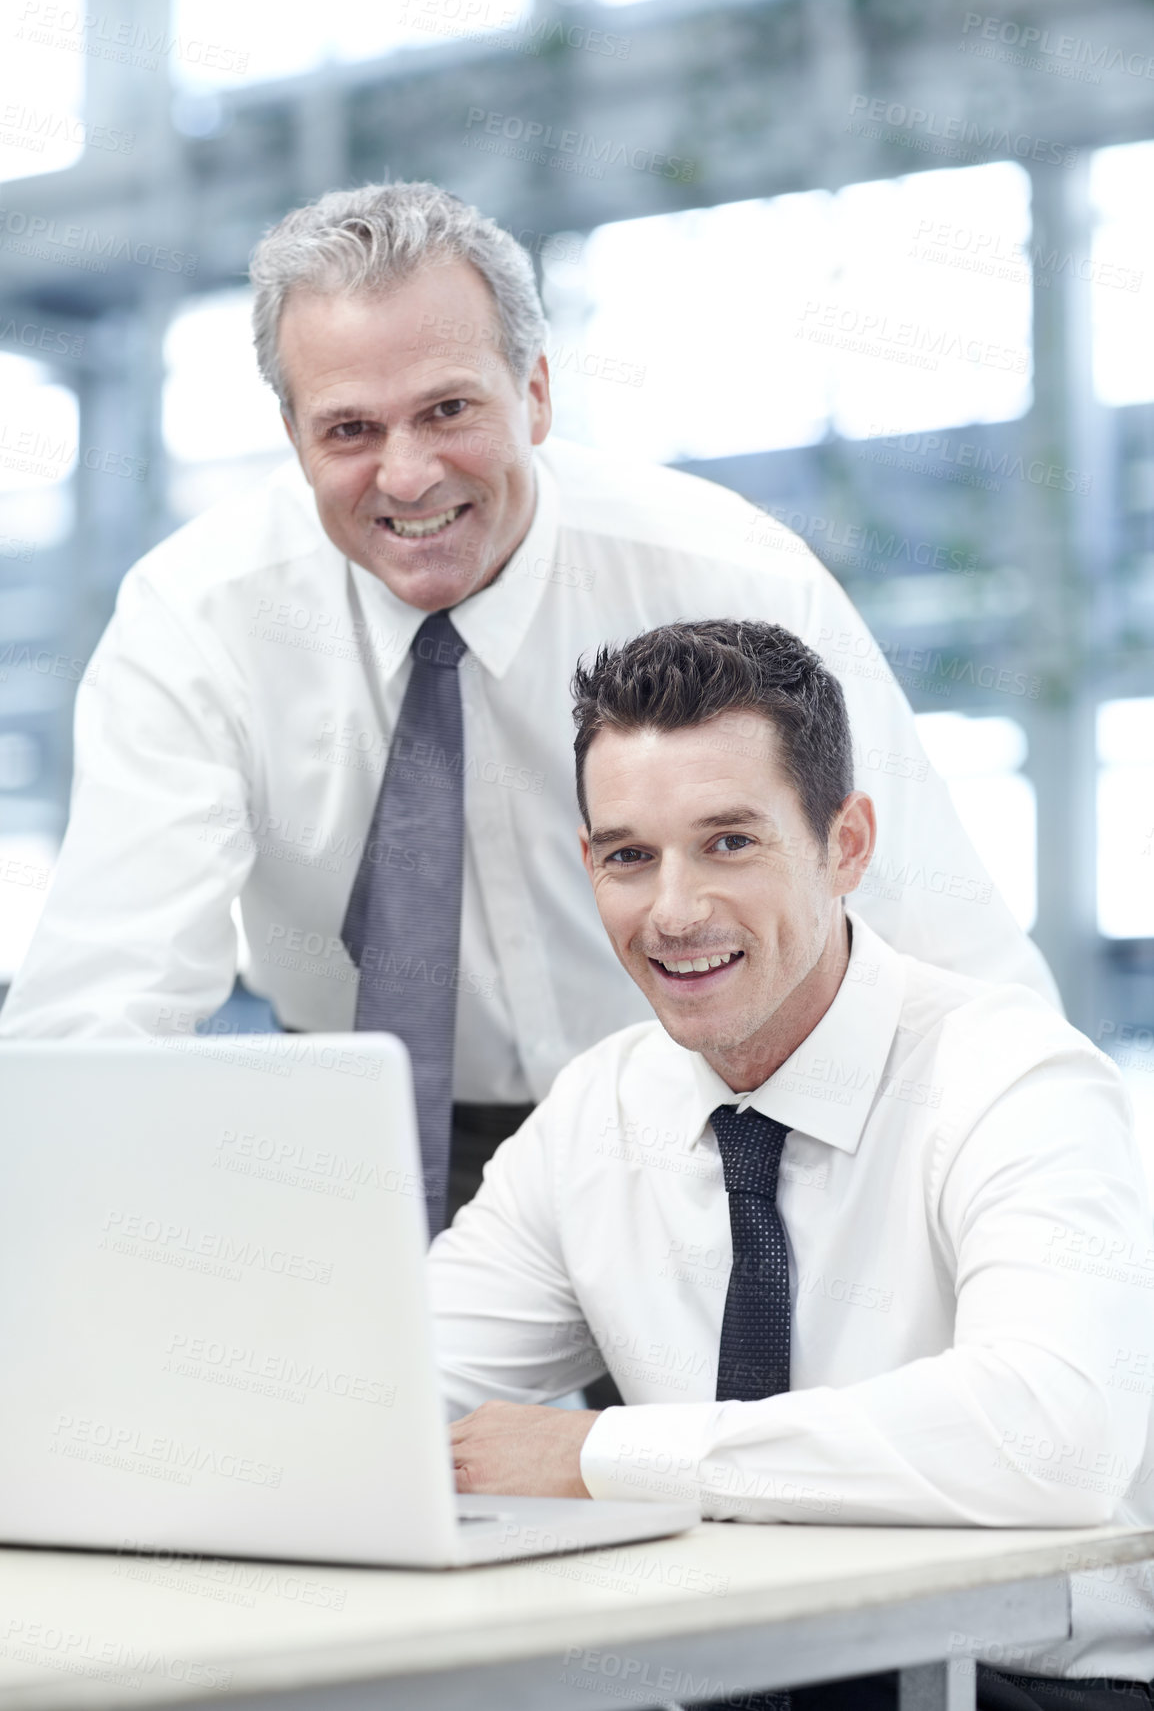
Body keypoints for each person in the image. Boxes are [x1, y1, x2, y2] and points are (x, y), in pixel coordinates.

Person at [0, 181, 1056, 1237]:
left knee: (731, 1406)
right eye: (350, 429)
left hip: (696, 1097)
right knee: (367, 1401)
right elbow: (102, 1014)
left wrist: (1043, 1233)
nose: (407, 476)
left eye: (448, 409)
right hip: (372, 1134)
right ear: (291, 432)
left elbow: (943, 946)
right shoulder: (199, 620)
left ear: (536, 392)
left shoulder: (725, 577)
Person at [434, 620, 1154, 1709]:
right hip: (726, 1673)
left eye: (729, 841)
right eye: (629, 855)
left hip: (1020, 1681)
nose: (673, 911)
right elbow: (396, 1391)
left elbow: (1049, 1439)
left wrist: (606, 1457)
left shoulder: (1012, 1078)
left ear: (845, 844)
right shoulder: (596, 1109)